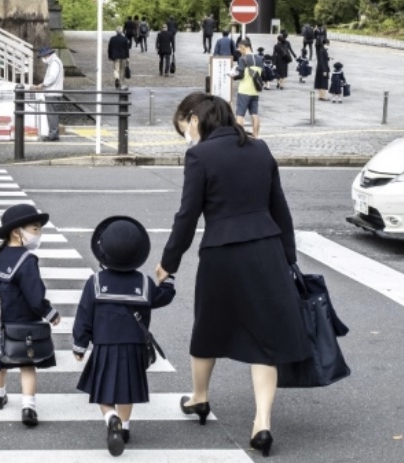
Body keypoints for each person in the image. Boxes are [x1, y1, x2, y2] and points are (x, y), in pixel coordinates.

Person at [156, 91, 311, 459]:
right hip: (267, 251)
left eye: (184, 128)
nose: (186, 136)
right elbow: (280, 209)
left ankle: (199, 398)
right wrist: (288, 258)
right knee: (266, 338)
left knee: (208, 328)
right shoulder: (260, 149)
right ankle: (262, 423)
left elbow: (187, 215)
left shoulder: (199, 155)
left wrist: (169, 262)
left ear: (194, 119)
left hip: (222, 253)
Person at [73, 216, 176, 457]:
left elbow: (84, 315)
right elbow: (163, 297)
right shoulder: (143, 283)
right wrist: (167, 280)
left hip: (105, 346)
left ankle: (111, 419)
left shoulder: (95, 282)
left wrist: (80, 344)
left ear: (104, 252)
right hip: (133, 347)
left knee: (103, 392)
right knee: (125, 390)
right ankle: (125, 427)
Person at [0, 204, 61, 426]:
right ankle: (28, 407)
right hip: (23, 321)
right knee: (27, 364)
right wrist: (49, 312)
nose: (38, 234)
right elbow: (35, 293)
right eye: (34, 229)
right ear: (16, 232)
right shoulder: (27, 260)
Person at [230, 38, 263, 138]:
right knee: (255, 114)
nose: (239, 51)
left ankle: (240, 136)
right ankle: (256, 135)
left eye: (240, 48)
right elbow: (262, 74)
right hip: (255, 91)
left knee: (240, 115)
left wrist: (233, 76)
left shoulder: (242, 59)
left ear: (243, 47)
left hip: (244, 90)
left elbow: (240, 75)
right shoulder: (260, 59)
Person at [32, 46, 64, 141]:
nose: (42, 59)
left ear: (47, 55)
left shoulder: (54, 63)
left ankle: (53, 135)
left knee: (52, 114)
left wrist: (42, 85)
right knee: (53, 114)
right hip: (55, 92)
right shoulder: (55, 62)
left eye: (43, 56)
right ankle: (54, 134)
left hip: (52, 93)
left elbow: (52, 77)